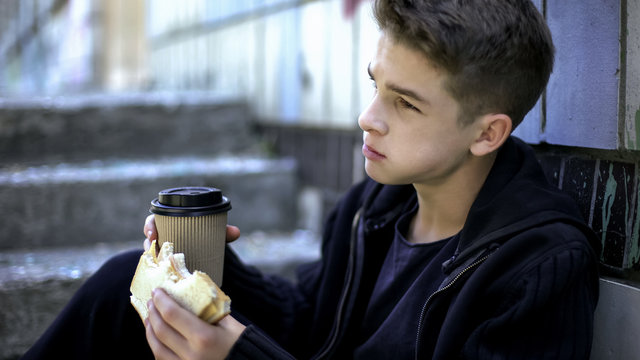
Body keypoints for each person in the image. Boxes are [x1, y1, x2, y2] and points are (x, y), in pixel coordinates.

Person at [23, 0, 600, 359]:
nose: (367, 117)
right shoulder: (373, 204)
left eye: (405, 104)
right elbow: (311, 320)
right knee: (126, 285)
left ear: (487, 134)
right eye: (375, 84)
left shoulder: (537, 266)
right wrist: (214, 276)